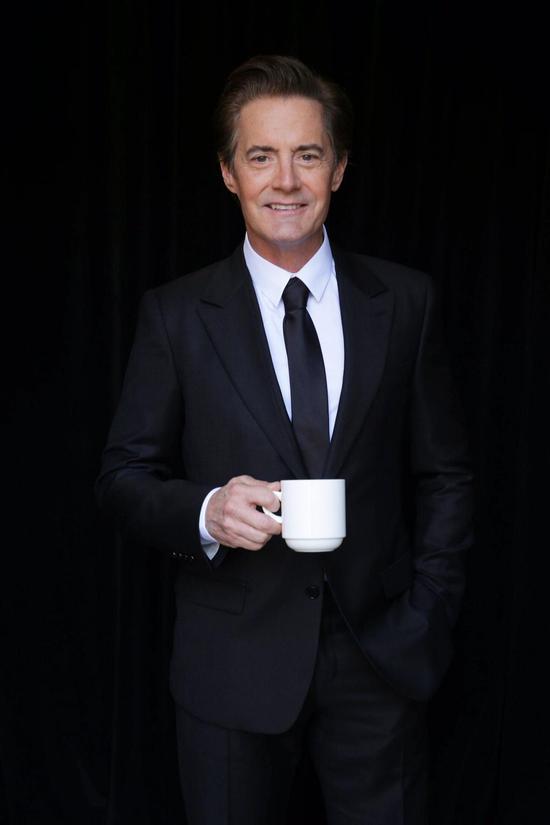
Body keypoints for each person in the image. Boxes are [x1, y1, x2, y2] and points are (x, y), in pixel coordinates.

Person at [96, 54, 474, 825]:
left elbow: (446, 473)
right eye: (261, 156)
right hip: (231, 664)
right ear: (228, 173)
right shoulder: (176, 314)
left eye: (307, 154)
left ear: (339, 167)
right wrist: (207, 510)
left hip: (380, 657)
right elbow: (123, 477)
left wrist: (427, 611)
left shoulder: (406, 301)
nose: (287, 180)